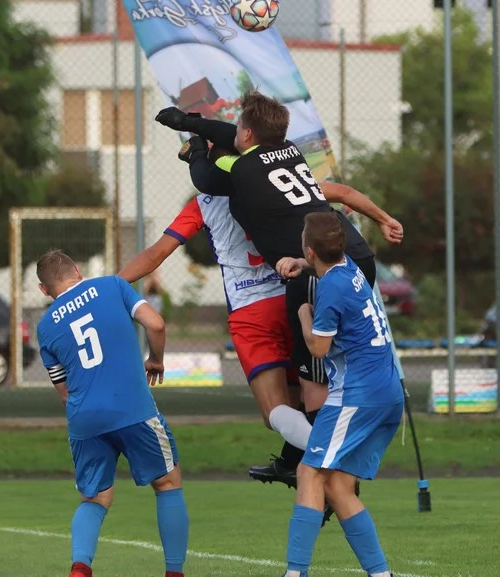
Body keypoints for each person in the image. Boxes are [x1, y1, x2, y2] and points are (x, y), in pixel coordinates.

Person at [155, 94, 397, 484]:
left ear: (246, 134)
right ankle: (296, 459)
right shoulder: (291, 151)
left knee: (313, 376)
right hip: (354, 258)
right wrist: (191, 122)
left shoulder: (244, 170)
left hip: (317, 273)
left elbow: (205, 176)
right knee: (330, 366)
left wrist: (198, 147)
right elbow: (235, 138)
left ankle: (330, 470)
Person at [118, 176, 402, 488]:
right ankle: (300, 467)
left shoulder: (204, 203)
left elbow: (158, 252)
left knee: (275, 413)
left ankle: (333, 462)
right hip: (292, 294)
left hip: (251, 310)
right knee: (307, 399)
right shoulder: (277, 183)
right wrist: (385, 219)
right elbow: (345, 192)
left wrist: (111, 284)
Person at [36, 250, 189, 577]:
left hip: (84, 418)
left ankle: (80, 567)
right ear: (77, 270)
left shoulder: (46, 326)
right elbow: (156, 324)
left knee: (93, 498)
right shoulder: (112, 286)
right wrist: (156, 360)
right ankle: (174, 572)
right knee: (167, 482)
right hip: (132, 407)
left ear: (44, 290)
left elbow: (63, 391)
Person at [283, 212, 403, 577]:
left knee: (308, 473)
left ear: (310, 248)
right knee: (337, 485)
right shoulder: (350, 270)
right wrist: (302, 264)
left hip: (357, 395)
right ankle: (380, 574)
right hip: (387, 393)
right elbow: (323, 260)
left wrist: (304, 313)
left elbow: (318, 348)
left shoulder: (331, 288)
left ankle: (294, 572)